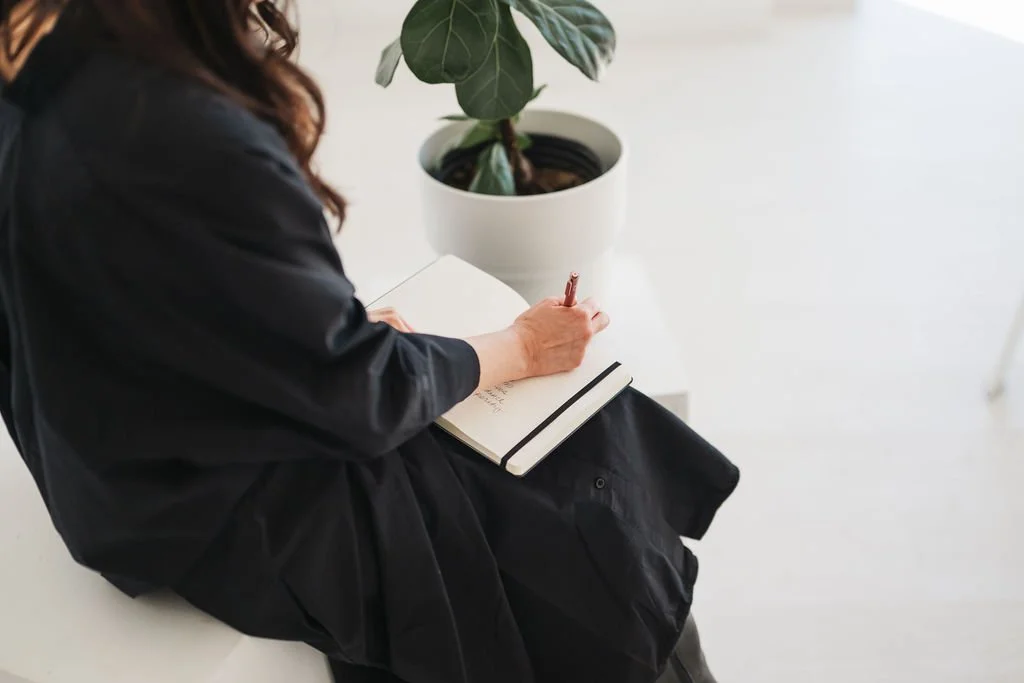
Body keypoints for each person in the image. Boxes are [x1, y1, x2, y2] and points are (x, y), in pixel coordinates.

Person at [0, 2, 739, 682]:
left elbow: (130, 299)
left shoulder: (40, 52)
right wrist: (520, 345)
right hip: (214, 505)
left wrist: (296, 330)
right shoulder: (180, 130)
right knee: (593, 526)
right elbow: (358, 395)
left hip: (109, 475)